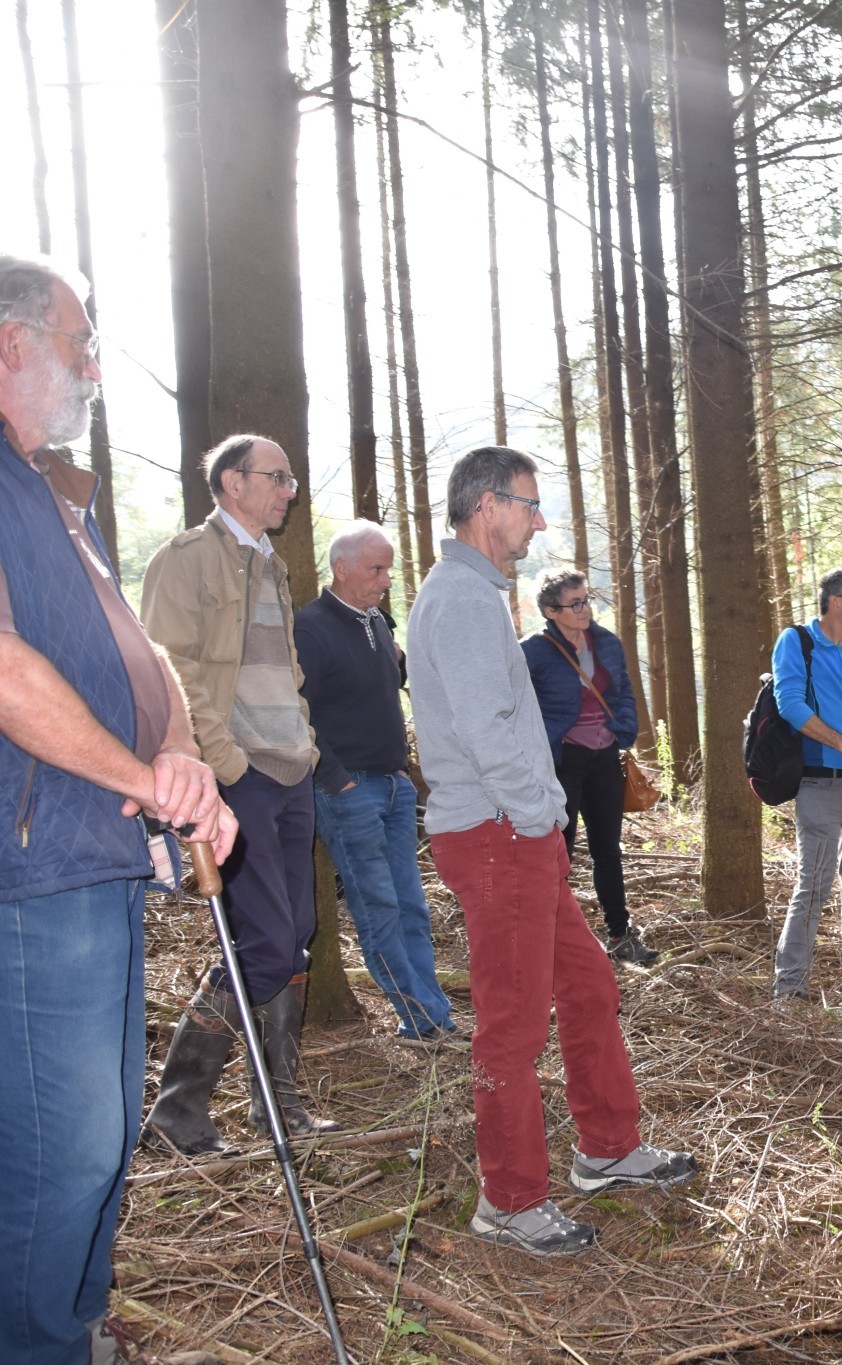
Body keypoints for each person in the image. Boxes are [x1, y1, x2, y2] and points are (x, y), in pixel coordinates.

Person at [0, 253, 236, 1364]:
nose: (94, 364)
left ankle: (74, 1329)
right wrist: (143, 780)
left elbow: (135, 657)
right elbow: (2, 669)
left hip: (94, 859)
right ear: (10, 342)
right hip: (29, 869)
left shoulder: (45, 489)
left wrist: (180, 758)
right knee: (62, 1144)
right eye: (77, 340)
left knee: (95, 1143)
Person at [409, 446, 695, 1257]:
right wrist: (540, 814)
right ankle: (509, 1197)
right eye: (529, 504)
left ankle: (605, 1146)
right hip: (500, 833)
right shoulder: (461, 600)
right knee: (511, 1022)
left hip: (518, 832)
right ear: (486, 505)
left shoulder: (474, 594)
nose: (538, 520)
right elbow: (487, 728)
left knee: (585, 981)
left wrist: (541, 821)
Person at [139, 434, 342, 1155]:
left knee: (294, 936)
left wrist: (307, 740)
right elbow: (167, 667)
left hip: (292, 769)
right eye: (275, 476)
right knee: (262, 937)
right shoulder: (185, 560)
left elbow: (281, 667)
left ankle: (274, 1105)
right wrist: (220, 761)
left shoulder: (273, 564)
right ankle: (179, 1108)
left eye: (289, 476)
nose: (289, 488)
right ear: (231, 482)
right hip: (236, 772)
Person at [296, 520, 463, 1047]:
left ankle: (434, 1016)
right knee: (379, 909)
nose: (387, 578)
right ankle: (419, 1020)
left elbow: (384, 685)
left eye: (389, 568)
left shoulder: (375, 623)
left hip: (394, 786)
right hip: (350, 790)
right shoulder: (311, 627)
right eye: (376, 568)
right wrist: (334, 778)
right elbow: (295, 711)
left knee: (412, 905)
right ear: (341, 569)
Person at [769, 568, 842, 1005]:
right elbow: (791, 704)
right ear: (835, 601)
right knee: (814, 885)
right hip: (819, 782)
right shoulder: (797, 641)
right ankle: (791, 986)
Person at [521, 569, 652, 966]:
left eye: (586, 600)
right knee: (558, 850)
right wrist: (545, 741)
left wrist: (623, 730)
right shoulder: (533, 650)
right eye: (574, 603)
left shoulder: (607, 642)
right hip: (563, 761)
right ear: (551, 611)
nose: (584, 609)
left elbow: (623, 691)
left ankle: (620, 935)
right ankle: (553, 941)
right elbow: (520, 705)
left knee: (607, 850)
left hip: (605, 757)